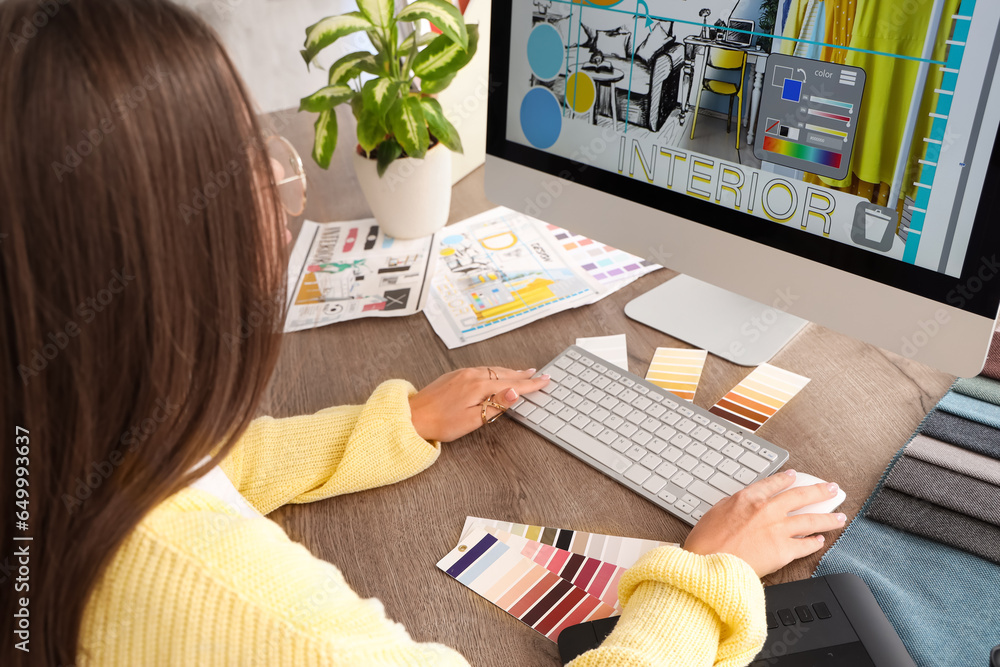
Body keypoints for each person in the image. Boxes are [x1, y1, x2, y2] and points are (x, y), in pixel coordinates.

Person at [0, 1, 846, 665]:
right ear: (166, 265)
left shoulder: (59, 447)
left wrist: (394, 425)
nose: (278, 187)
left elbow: (201, 471)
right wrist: (704, 577)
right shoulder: (265, 616)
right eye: (246, 163)